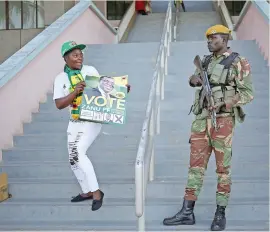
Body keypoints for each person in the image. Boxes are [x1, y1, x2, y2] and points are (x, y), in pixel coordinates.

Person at [162, 25, 254, 231]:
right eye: (208, 38)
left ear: (225, 39)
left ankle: (220, 214)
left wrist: (226, 103)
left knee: (223, 169)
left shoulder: (238, 62)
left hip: (223, 121)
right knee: (195, 167)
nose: (209, 41)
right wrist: (193, 80)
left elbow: (248, 93)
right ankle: (187, 212)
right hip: (202, 120)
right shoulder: (204, 61)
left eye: (213, 38)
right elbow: (194, 78)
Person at [53, 41, 130, 211]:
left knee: (79, 153)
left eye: (80, 54)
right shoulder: (61, 79)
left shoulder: (90, 71)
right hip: (74, 121)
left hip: (92, 119)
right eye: (75, 54)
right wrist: (75, 92)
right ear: (65, 58)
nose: (79, 57)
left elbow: (103, 90)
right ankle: (86, 191)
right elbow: (59, 104)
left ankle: (96, 192)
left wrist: (121, 91)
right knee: (73, 160)